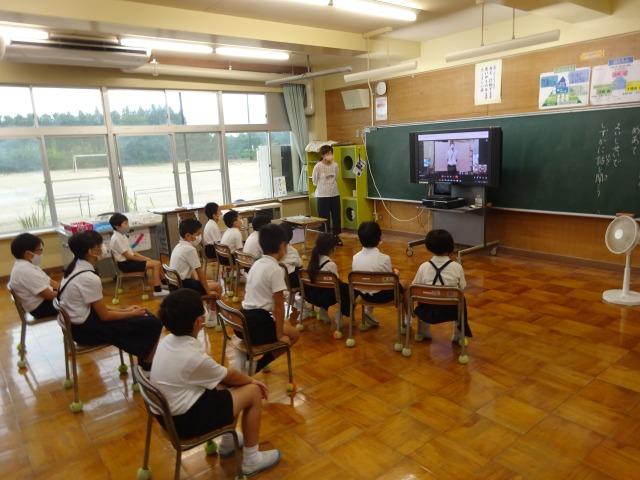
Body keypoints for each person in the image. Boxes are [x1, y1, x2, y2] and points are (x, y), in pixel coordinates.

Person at [151, 288, 280, 476]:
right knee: (252, 392)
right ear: (198, 322)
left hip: (169, 416)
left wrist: (241, 381)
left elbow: (222, 377)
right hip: (183, 423)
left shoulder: (167, 340)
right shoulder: (190, 355)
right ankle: (252, 460)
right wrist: (254, 382)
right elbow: (229, 375)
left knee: (225, 385)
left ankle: (228, 443)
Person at [57, 231, 162, 370]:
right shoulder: (88, 277)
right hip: (86, 331)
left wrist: (125, 310)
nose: (103, 248)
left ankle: (145, 360)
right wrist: (131, 313)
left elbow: (97, 307)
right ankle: (148, 364)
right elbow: (105, 316)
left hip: (79, 325)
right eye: (100, 245)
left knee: (144, 316)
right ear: (91, 251)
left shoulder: (73, 268)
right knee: (153, 322)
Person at [240, 224, 300, 373]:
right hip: (256, 325)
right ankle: (257, 366)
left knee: (286, 324)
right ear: (282, 246)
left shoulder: (256, 264)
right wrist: (279, 335)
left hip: (242, 320)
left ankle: (248, 361)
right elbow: (279, 307)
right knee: (294, 335)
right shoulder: (275, 269)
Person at [411, 229, 472, 342]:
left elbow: (415, 287)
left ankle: (422, 332)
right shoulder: (457, 267)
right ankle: (458, 336)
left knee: (422, 297)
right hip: (450, 311)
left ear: (429, 247)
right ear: (450, 246)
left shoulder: (423, 267)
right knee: (461, 299)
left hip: (427, 311)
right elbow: (462, 287)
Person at [352, 221, 410, 327]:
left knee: (371, 280)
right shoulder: (385, 258)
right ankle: (407, 319)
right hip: (382, 297)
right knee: (406, 284)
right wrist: (396, 275)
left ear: (360, 239)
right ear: (379, 238)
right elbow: (389, 282)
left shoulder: (355, 257)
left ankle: (368, 311)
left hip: (363, 295)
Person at [108, 213, 168, 297]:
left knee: (156, 262)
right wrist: (144, 259)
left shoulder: (122, 235)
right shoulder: (116, 238)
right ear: (117, 227)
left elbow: (133, 253)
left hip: (129, 262)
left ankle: (165, 284)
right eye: (125, 223)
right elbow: (128, 256)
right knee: (156, 264)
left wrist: (146, 258)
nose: (128, 225)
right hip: (125, 265)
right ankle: (158, 290)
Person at [8, 233, 60, 318]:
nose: (41, 253)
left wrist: (65, 287)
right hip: (41, 308)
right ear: (28, 254)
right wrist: (67, 293)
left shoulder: (27, 265)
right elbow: (49, 295)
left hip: (44, 301)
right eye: (40, 250)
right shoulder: (25, 271)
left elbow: (50, 281)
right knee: (77, 303)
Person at [304, 233, 350, 324]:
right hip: (326, 298)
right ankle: (340, 313)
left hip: (311, 295)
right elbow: (336, 283)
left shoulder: (313, 261)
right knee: (347, 289)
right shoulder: (330, 265)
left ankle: (323, 311)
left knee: (327, 286)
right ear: (332, 249)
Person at [169, 218, 221, 298]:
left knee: (211, 281)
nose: (199, 237)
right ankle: (213, 306)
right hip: (183, 286)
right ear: (188, 235)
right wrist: (208, 291)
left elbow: (192, 272)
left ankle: (209, 305)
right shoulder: (190, 249)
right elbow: (200, 273)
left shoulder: (178, 246)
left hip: (175, 284)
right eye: (197, 234)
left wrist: (199, 283)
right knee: (217, 286)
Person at [312, 145, 343, 246]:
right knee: (324, 218)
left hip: (334, 194)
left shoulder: (335, 165)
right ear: (322, 155)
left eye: (331, 153)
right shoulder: (318, 166)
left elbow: (336, 177)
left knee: (336, 216)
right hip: (322, 195)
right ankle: (325, 238)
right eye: (327, 153)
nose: (330, 155)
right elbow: (314, 181)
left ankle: (336, 236)